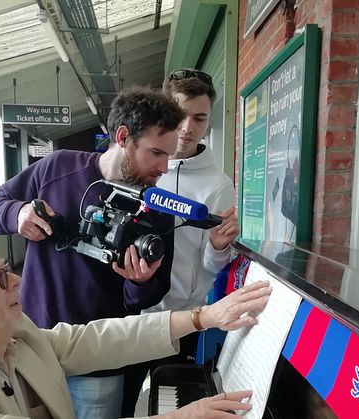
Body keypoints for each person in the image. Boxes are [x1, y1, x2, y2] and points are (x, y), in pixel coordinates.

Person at [0, 229, 272, 419]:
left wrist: (203, 317)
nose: (16, 280)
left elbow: (91, 340)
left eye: (6, 269)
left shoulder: (12, 332)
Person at [0, 86, 185, 418]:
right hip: (33, 345)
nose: (164, 167)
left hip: (99, 362)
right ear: (123, 137)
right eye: (156, 153)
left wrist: (139, 282)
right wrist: (17, 213)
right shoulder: (57, 167)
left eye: (169, 155)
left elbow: (150, 294)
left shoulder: (158, 210)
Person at [121, 69, 240, 416]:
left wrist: (218, 247)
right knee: (125, 402)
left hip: (182, 322)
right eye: (181, 114)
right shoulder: (139, 167)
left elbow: (209, 267)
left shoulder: (218, 184)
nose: (188, 127)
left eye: (200, 118)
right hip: (130, 314)